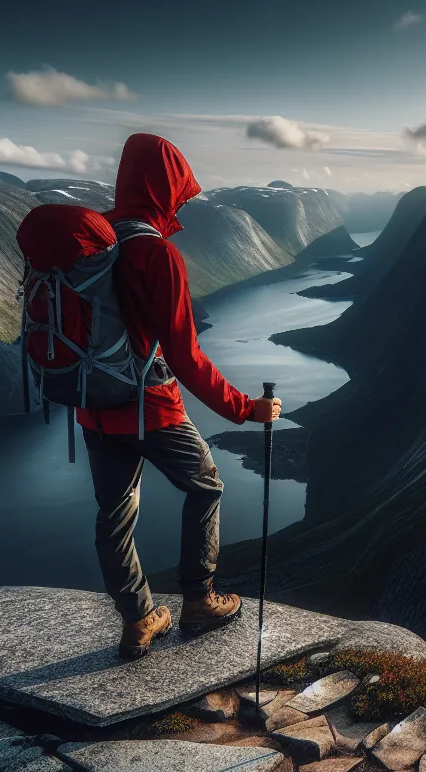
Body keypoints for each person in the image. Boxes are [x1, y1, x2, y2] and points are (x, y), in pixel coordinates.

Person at [80, 133, 281, 659]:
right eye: (178, 190)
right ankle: (199, 599)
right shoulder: (156, 254)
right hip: (151, 406)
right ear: (162, 186)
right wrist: (246, 409)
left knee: (114, 513)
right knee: (207, 487)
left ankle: (138, 619)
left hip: (95, 404)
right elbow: (186, 357)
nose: (183, 201)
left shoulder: (93, 246)